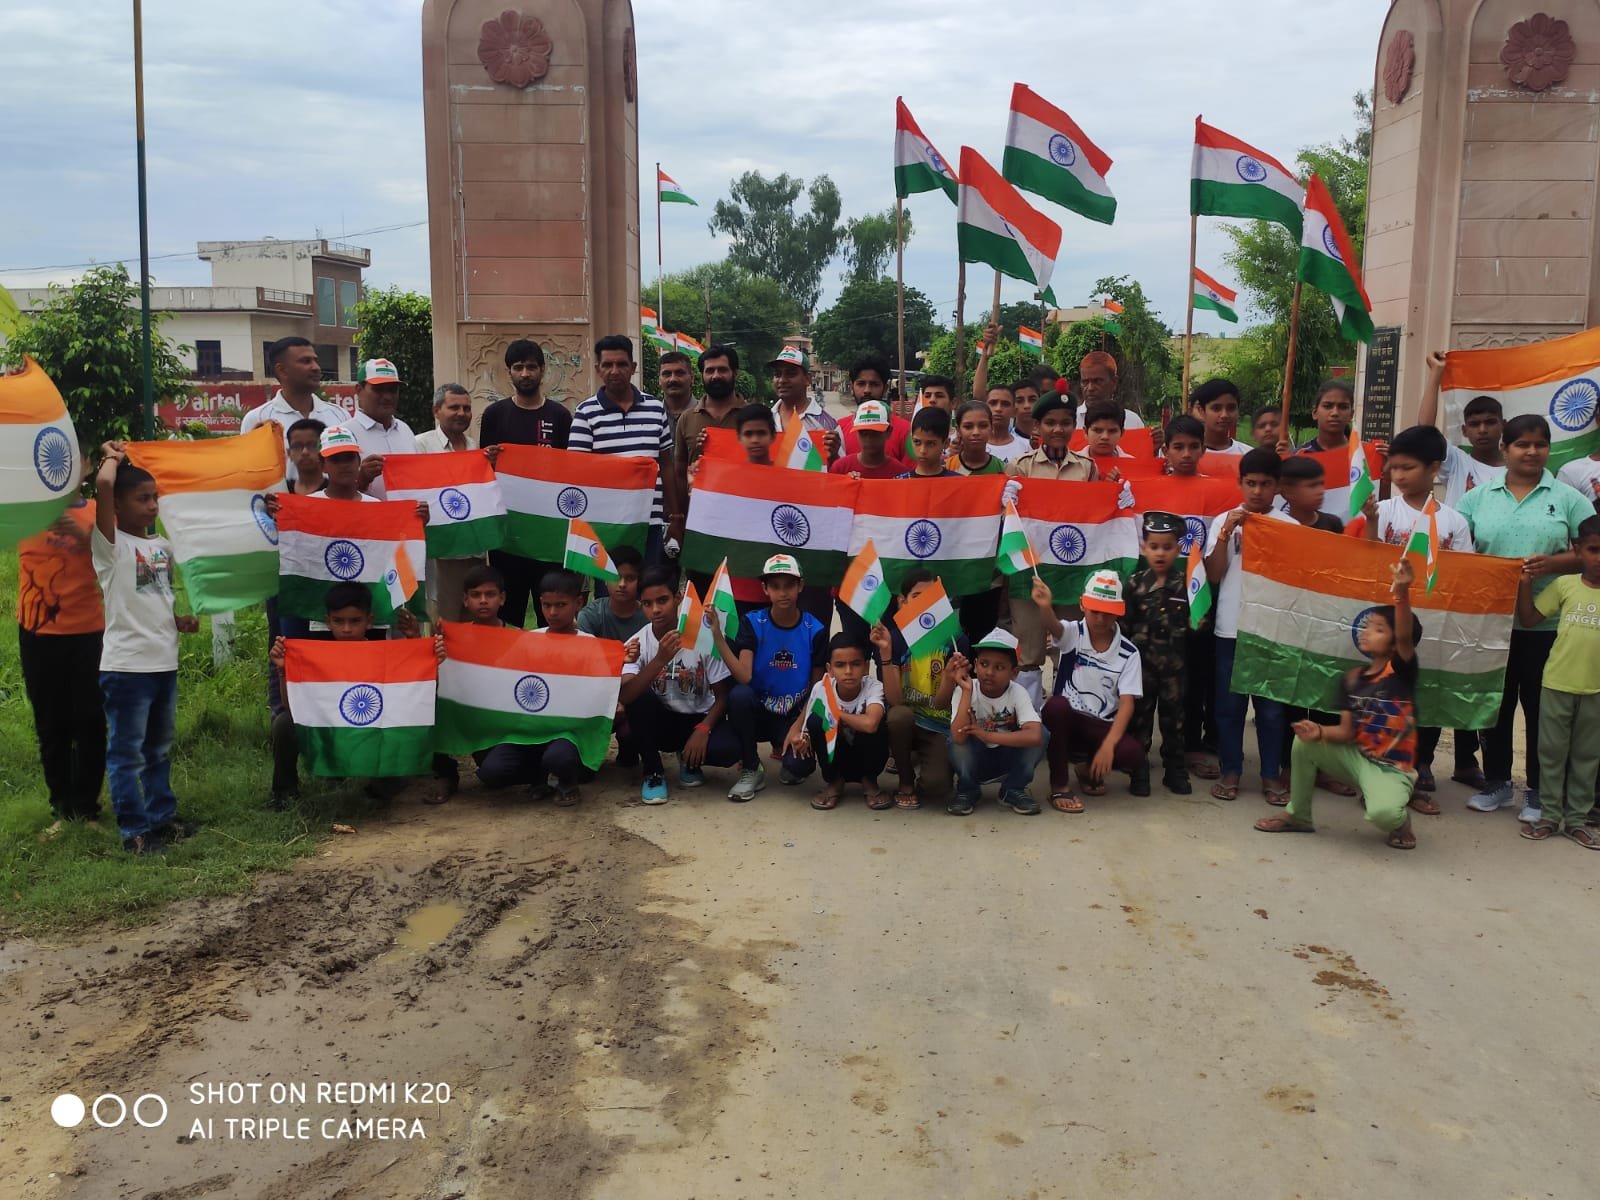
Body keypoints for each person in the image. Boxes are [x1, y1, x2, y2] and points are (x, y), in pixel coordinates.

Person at [1457, 414, 1594, 820]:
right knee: (1495, 705)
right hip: (1491, 622)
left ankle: (1537, 790)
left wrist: (1553, 563)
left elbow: (1591, 551)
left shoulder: (1569, 498)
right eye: (1522, 444)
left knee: (1540, 709)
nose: (1532, 452)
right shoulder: (1478, 498)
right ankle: (1498, 783)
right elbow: (1459, 553)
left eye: (1540, 444)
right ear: (1505, 448)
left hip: (1547, 625)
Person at [1255, 557, 1422, 849]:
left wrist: (1401, 593)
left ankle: (1400, 822)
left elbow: (1406, 635)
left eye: (1379, 629)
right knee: (1303, 743)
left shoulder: (1400, 672)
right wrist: (1318, 731)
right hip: (1357, 759)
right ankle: (1298, 816)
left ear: (1395, 643)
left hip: (1392, 769)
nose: (1367, 632)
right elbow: (1346, 732)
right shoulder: (1352, 679)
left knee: (1383, 814)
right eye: (1368, 626)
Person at [92, 444, 201, 854]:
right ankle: (134, 832)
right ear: (118, 506)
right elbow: (104, 484)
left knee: (157, 750)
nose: (153, 505)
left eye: (155, 497)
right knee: (127, 754)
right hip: (126, 669)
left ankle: (161, 818)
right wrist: (112, 456)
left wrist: (177, 621)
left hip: (163, 663)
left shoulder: (161, 547)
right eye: (142, 498)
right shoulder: (109, 546)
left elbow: (156, 595)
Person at [1372, 424, 1481, 798]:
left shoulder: (1453, 521)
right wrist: (1369, 522)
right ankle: (1379, 760)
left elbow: (1463, 571)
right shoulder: (1384, 511)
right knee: (1387, 690)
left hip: (1435, 621)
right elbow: (1368, 559)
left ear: (1434, 468)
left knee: (1428, 691)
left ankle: (1423, 761)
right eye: (1394, 468)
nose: (1399, 475)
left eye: (1408, 467)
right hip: (1390, 620)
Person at [267, 582, 426, 809]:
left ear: (369, 621)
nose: (347, 629)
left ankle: (384, 786)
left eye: (355, 621)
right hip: (330, 731)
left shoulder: (384, 653)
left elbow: (416, 693)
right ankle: (284, 792)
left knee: (401, 718)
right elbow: (291, 707)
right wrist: (284, 671)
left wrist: (416, 640)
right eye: (339, 621)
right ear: (328, 621)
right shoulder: (316, 657)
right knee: (283, 723)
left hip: (370, 730)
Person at [18, 470, 105, 836]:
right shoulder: (24, 510)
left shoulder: (99, 510)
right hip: (38, 634)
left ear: (84, 466)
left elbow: (116, 558)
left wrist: (81, 536)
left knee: (91, 722)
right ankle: (62, 809)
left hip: (89, 632)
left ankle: (87, 809)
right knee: (51, 724)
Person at [1204, 447, 1288, 804]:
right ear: (1239, 483)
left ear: (1277, 487)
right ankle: (1231, 770)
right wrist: (1226, 533)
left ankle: (1270, 774)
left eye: (1265, 484)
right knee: (1229, 706)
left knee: (1271, 708)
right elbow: (1214, 574)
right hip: (1231, 627)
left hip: (1272, 631)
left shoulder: (1291, 529)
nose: (1257, 491)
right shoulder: (1223, 521)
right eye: (1251, 483)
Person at [1006, 389, 1099, 706]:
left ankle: (1067, 715)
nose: (1058, 429)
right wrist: (1006, 502)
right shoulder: (1020, 467)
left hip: (1071, 571)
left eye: (1065, 422)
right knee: (1029, 649)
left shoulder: (1087, 469)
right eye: (1050, 422)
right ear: (1037, 427)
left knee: (1070, 644)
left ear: (1075, 426)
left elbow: (1095, 519)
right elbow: (1008, 520)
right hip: (1029, 571)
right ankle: (1028, 719)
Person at [620, 565, 742, 804]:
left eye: (662, 600)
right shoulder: (637, 642)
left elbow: (723, 696)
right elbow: (626, 696)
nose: (656, 610)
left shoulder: (702, 637)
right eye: (647, 603)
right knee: (637, 702)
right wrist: (659, 660)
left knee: (728, 749)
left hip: (696, 718)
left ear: (678, 598)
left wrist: (704, 729)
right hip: (661, 721)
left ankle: (689, 760)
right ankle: (653, 771)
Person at [713, 553, 828, 802]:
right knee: (739, 695)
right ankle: (751, 767)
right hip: (758, 711)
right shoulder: (753, 622)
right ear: (765, 589)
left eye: (789, 585)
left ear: (800, 586)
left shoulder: (816, 629)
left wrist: (799, 727)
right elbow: (744, 676)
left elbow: (817, 687)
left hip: (792, 714)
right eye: (775, 586)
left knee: (799, 767)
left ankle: (788, 754)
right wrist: (718, 639)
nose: (782, 593)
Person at [1515, 515, 1600, 846]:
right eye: (1593, 550)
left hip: (1595, 690)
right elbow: (1529, 618)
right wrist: (1524, 584)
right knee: (1550, 753)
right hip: (1556, 683)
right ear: (1577, 550)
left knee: (1588, 757)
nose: (1599, 558)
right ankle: (1549, 816)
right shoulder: (1564, 585)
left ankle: (1577, 820)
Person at [479, 338, 572, 629]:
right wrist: (488, 460)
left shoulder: (559, 416)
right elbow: (484, 472)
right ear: (509, 371)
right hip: (509, 534)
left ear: (543, 370)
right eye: (518, 367)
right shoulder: (494, 415)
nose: (525, 374)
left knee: (552, 613)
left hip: (548, 533)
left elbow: (570, 471)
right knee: (509, 614)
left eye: (531, 367)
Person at [484, 569, 595, 805]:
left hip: (567, 731)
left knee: (560, 757)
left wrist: (620, 661)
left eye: (560, 605)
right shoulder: (528, 640)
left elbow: (598, 691)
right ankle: (538, 777)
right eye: (546, 605)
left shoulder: (590, 645)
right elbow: (502, 676)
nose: (552, 612)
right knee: (492, 772)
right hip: (529, 729)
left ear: (578, 603)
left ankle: (568, 781)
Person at [1037, 571, 1145, 811]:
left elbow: (1127, 703)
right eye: (1095, 611)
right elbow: (1054, 627)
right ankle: (1059, 785)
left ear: (1119, 611)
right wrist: (1045, 606)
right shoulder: (1073, 633)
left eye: (1108, 612)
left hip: (1100, 726)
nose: (1100, 618)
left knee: (1133, 754)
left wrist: (1109, 745)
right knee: (1055, 706)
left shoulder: (1129, 653)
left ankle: (1087, 769)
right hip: (1067, 720)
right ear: (1082, 605)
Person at [571, 335, 683, 561]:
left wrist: (675, 517)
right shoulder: (585, 413)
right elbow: (577, 471)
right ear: (598, 369)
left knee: (649, 581)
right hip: (606, 523)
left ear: (633, 367)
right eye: (607, 365)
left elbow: (666, 465)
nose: (615, 371)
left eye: (621, 364)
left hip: (650, 522)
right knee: (610, 583)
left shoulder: (655, 409)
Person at [874, 569, 966, 811]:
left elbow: (942, 704)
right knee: (898, 716)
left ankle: (922, 759)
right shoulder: (893, 639)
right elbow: (895, 700)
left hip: (937, 723)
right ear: (902, 602)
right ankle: (905, 780)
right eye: (917, 596)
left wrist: (950, 678)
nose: (925, 603)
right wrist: (885, 654)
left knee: (937, 788)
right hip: (906, 718)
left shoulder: (955, 641)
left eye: (932, 597)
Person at [1122, 513, 1192, 795]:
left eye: (1167, 547)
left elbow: (1198, 624)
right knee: (1140, 721)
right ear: (1144, 548)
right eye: (1154, 546)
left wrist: (1199, 622)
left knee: (1174, 722)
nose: (1160, 553)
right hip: (1142, 670)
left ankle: (1175, 771)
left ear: (1178, 549)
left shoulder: (1186, 584)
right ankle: (1138, 773)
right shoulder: (1134, 584)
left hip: (1175, 670)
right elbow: (1123, 628)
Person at [781, 633, 890, 810]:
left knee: (880, 721)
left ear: (866, 667)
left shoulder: (874, 687)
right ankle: (834, 780)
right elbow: (806, 725)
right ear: (829, 669)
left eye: (855, 664)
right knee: (816, 721)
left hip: (865, 755)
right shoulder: (821, 688)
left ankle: (869, 781)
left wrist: (836, 713)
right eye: (840, 665)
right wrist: (802, 738)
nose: (848, 671)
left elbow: (870, 724)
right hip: (837, 755)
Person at [414, 383, 492, 624]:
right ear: (436, 411)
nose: (461, 413)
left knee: (473, 620)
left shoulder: (475, 448)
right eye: (454, 407)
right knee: (444, 623)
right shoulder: (420, 446)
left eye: (466, 408)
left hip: (474, 549)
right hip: (441, 551)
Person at [948, 628, 1045, 816]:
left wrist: (987, 735)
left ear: (1014, 673)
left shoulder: (1017, 692)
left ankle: (1013, 789)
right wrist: (967, 691)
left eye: (999, 667)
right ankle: (968, 790)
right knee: (954, 738)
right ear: (975, 665)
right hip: (976, 756)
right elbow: (958, 738)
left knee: (1043, 733)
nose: (989, 672)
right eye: (984, 664)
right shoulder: (964, 689)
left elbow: (1035, 736)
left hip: (1006, 757)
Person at [238, 336, 349, 481]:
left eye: (315, 360)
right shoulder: (257, 419)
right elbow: (249, 475)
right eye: (306, 361)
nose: (316, 367)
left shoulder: (340, 415)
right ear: (282, 370)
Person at [1418, 349, 1506, 508]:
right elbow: (1425, 431)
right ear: (1464, 430)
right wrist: (1436, 372)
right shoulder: (1456, 462)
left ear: (1503, 425)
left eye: (1490, 422)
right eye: (1474, 424)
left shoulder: (1518, 471)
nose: (1482, 430)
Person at [675, 344, 743, 503]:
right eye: (710, 371)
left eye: (722, 370)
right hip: (697, 511)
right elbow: (679, 471)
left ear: (735, 373)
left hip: (742, 509)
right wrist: (679, 512)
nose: (716, 376)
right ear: (702, 375)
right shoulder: (687, 418)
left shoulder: (752, 418)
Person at [347, 358, 416, 499]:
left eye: (393, 390)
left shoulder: (405, 430)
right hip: (367, 513)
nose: (387, 397)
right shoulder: (345, 434)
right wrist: (361, 479)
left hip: (407, 512)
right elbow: (332, 495)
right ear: (359, 390)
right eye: (378, 389)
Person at [769, 346, 840, 462]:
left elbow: (839, 468)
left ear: (808, 379)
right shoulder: (765, 419)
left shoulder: (827, 425)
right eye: (777, 374)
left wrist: (834, 456)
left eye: (791, 374)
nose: (782, 380)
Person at [837, 353, 910, 463]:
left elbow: (913, 473)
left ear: (885, 388)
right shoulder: (839, 429)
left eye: (874, 384)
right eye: (861, 384)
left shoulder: (905, 431)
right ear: (852, 387)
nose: (867, 390)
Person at [576, 545, 646, 640]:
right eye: (615, 577)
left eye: (630, 578)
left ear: (640, 581)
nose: (622, 584)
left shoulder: (650, 616)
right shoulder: (590, 615)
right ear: (605, 579)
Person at [829, 400, 903, 479]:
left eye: (875, 433)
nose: (869, 439)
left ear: (888, 432)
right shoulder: (840, 468)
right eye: (863, 433)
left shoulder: (901, 474)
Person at [1075, 351, 1145, 431]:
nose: (1090, 388)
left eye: (1097, 381)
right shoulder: (1071, 421)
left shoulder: (1132, 422)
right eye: (1085, 382)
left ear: (1114, 382)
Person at [1275, 456, 1344, 532]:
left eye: (1321, 484)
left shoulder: (1332, 524)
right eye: (1312, 486)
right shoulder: (1277, 528)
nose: (1321, 491)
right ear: (1287, 492)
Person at [1189, 378, 1250, 455]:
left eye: (1231, 408)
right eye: (1216, 408)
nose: (1224, 415)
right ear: (1201, 411)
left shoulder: (1248, 455)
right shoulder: (1187, 456)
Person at [1294, 380, 1354, 453]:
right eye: (1327, 406)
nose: (1335, 413)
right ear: (1315, 413)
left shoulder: (1362, 455)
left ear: (1351, 414)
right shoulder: (1300, 455)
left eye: (1343, 407)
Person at [946, 401, 1005, 475]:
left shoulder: (1002, 469)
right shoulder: (947, 467)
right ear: (958, 430)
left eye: (983, 426)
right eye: (968, 427)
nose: (976, 432)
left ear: (991, 428)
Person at [898, 407, 958, 478]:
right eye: (917, 442)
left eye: (930, 444)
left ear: (946, 443)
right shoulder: (900, 482)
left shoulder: (958, 481)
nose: (922, 450)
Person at [1081, 401, 1132, 481]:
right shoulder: (1070, 465)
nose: (1105, 437)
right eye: (1098, 430)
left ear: (1122, 433)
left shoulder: (1133, 465)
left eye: (1112, 431)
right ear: (1085, 431)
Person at [985, 386, 1030, 462]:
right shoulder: (973, 445)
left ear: (1014, 411)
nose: (998, 409)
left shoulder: (1027, 447)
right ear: (984, 408)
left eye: (1005, 404)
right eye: (993, 403)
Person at [284, 418, 328, 494]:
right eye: (297, 446)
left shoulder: (335, 491)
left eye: (312, 445)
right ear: (289, 453)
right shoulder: (282, 491)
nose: (305, 452)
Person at [656, 349, 697, 423]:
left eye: (679, 373)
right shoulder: (651, 416)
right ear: (659, 380)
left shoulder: (707, 415)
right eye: (667, 374)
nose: (673, 379)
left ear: (692, 378)